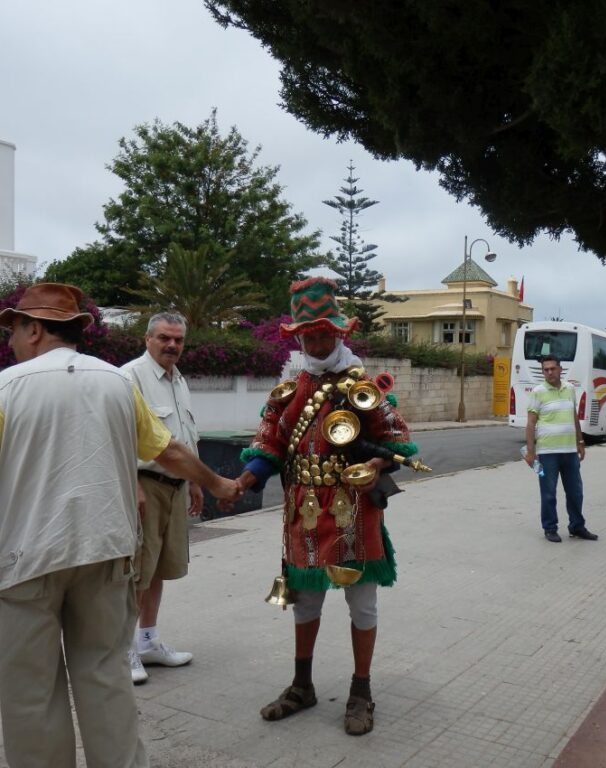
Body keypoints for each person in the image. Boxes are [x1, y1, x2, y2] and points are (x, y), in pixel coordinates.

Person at [0, 283, 241, 768]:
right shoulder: (116, 383)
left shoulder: (7, 387)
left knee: (30, 693)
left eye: (13, 330)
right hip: (106, 552)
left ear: (35, 328)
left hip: (24, 559)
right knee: (106, 677)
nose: (10, 341)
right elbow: (168, 450)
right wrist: (216, 483)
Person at [233, 277, 415, 736]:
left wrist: (375, 464)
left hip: (354, 509)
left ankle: (361, 691)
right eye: (307, 334)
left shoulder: (363, 385)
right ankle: (301, 686)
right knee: (305, 602)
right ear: (299, 337)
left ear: (339, 332)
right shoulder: (288, 386)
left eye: (323, 333)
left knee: (362, 603)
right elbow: (269, 442)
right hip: (303, 511)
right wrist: (244, 479)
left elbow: (399, 440)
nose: (315, 341)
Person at [122, 312, 203, 685]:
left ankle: (148, 641)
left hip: (175, 488)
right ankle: (123, 650)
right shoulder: (130, 377)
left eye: (178, 340)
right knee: (135, 571)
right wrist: (131, 483)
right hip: (144, 485)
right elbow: (118, 437)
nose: (172, 345)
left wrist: (197, 481)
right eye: (164, 338)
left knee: (159, 570)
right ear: (147, 339)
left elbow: (186, 435)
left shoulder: (179, 380)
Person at [524, 355, 598, 543]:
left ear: (560, 369)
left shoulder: (570, 389)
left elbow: (574, 416)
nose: (549, 372)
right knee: (548, 493)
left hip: (569, 452)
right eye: (545, 369)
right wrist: (531, 452)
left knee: (576, 492)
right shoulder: (537, 392)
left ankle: (577, 526)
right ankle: (550, 528)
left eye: (552, 368)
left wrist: (580, 442)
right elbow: (531, 423)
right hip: (546, 454)